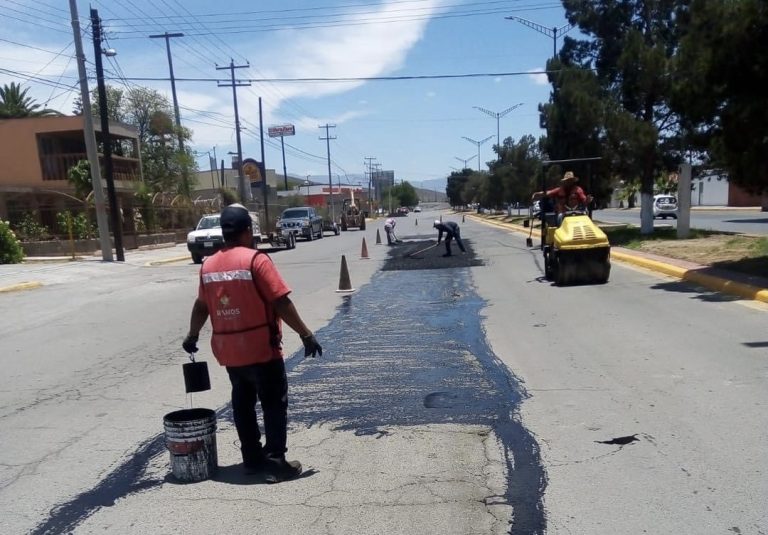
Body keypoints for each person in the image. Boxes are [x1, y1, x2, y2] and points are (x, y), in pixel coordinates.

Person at [182, 203, 322, 483]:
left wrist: (192, 335)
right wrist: (306, 334)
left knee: (242, 403)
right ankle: (275, 462)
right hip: (260, 348)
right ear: (247, 231)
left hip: (230, 352)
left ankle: (251, 458)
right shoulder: (255, 260)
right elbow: (280, 300)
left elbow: (202, 306)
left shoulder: (208, 265)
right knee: (273, 403)